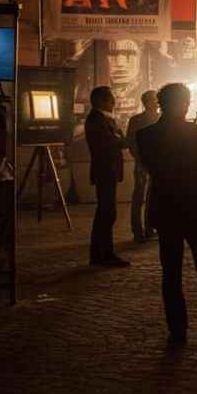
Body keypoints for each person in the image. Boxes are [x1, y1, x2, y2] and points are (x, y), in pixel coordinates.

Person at [136, 83, 197, 343]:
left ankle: (177, 329)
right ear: (185, 103)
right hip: (195, 207)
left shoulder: (145, 136)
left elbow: (152, 168)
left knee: (171, 272)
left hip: (165, 207)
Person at [84, 86, 130, 267]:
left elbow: (120, 140)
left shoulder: (105, 120)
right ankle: (103, 254)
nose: (114, 104)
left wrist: (119, 138)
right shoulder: (97, 120)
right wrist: (119, 138)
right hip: (105, 170)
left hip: (108, 170)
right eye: (111, 100)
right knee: (106, 212)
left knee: (107, 212)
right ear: (100, 101)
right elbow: (112, 142)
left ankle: (102, 253)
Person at [125, 89, 159, 242]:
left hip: (150, 162)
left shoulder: (139, 120)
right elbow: (131, 142)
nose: (156, 103)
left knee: (148, 196)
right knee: (140, 196)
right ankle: (140, 229)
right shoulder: (143, 120)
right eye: (154, 100)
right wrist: (140, 159)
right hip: (145, 162)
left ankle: (147, 228)